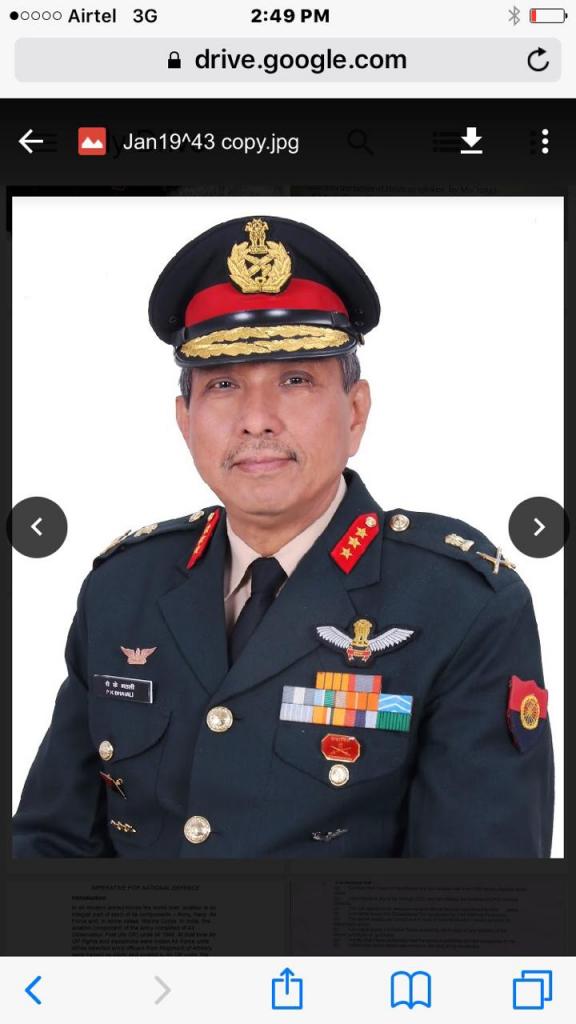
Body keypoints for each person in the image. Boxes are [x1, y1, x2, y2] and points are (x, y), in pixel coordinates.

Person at [13, 215, 553, 858]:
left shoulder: (460, 605)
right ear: (185, 420)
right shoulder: (122, 589)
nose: (256, 420)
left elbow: (472, 900)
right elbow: (50, 846)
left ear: (356, 412)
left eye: (295, 380)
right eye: (223, 385)